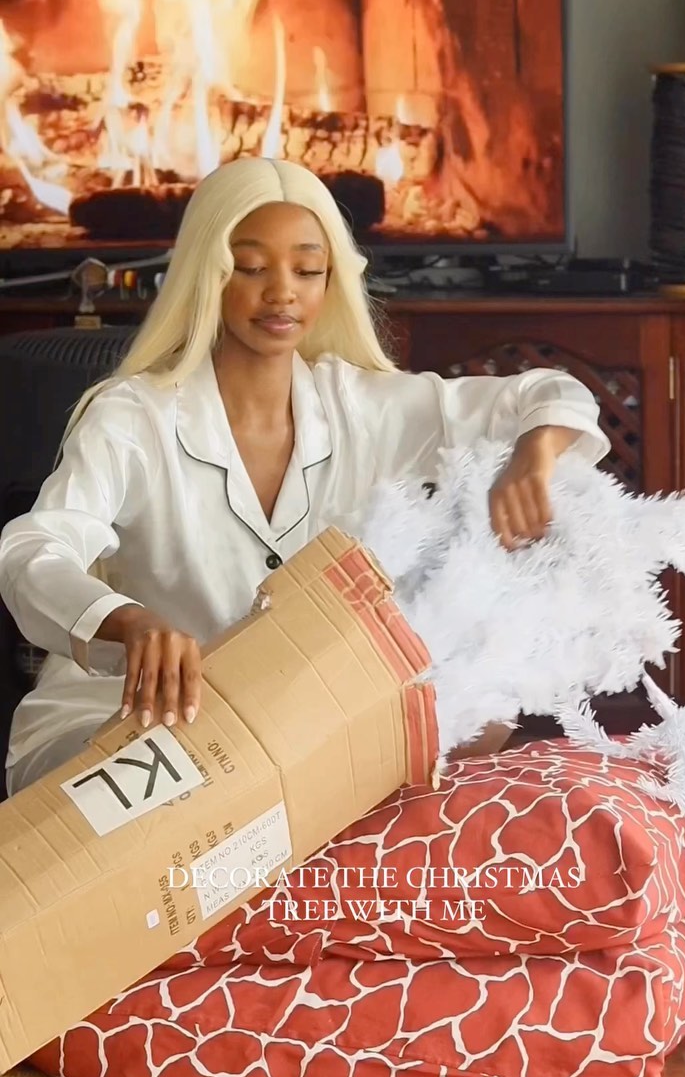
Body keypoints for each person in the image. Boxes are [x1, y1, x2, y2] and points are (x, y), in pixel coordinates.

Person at [0, 158, 610, 795]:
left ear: (330, 281)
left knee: (482, 726)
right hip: (130, 725)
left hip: (301, 733)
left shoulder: (363, 405)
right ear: (207, 274)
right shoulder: (132, 416)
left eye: (307, 270)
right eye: (252, 267)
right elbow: (33, 550)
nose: (282, 292)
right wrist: (130, 622)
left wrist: (533, 456)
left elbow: (551, 393)